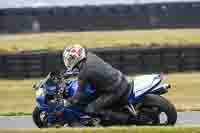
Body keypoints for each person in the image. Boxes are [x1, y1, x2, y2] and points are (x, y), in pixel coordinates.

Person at [62, 44, 133, 125]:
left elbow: (79, 94)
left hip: (115, 89)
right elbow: (89, 72)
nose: (68, 61)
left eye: (70, 59)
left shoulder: (84, 72)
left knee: (91, 109)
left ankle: (127, 120)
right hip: (119, 79)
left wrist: (68, 102)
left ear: (75, 58)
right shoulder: (90, 56)